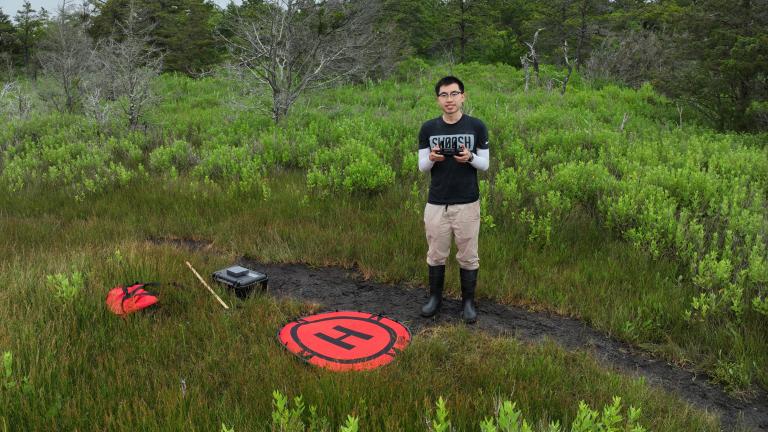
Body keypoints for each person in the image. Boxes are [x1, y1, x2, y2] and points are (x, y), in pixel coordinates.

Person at [418, 76, 490, 323]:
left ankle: (468, 302)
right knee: (436, 253)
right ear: (438, 99)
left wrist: (469, 158)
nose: (449, 100)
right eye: (444, 95)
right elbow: (422, 167)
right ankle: (435, 299)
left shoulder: (477, 126)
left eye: (454, 94)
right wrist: (432, 159)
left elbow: (485, 164)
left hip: (467, 202)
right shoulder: (429, 128)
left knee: (469, 254)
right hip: (437, 202)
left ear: (463, 96)